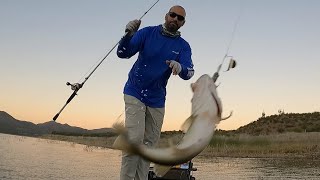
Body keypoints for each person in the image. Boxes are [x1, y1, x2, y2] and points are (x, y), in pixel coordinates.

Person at [116, 5, 194, 180]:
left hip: (157, 99)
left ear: (183, 23)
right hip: (134, 91)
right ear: (166, 16)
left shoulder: (183, 46)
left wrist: (180, 67)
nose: (175, 19)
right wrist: (128, 35)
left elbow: (189, 72)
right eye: (172, 15)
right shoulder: (147, 33)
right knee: (134, 141)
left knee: (149, 147)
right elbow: (122, 53)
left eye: (180, 18)